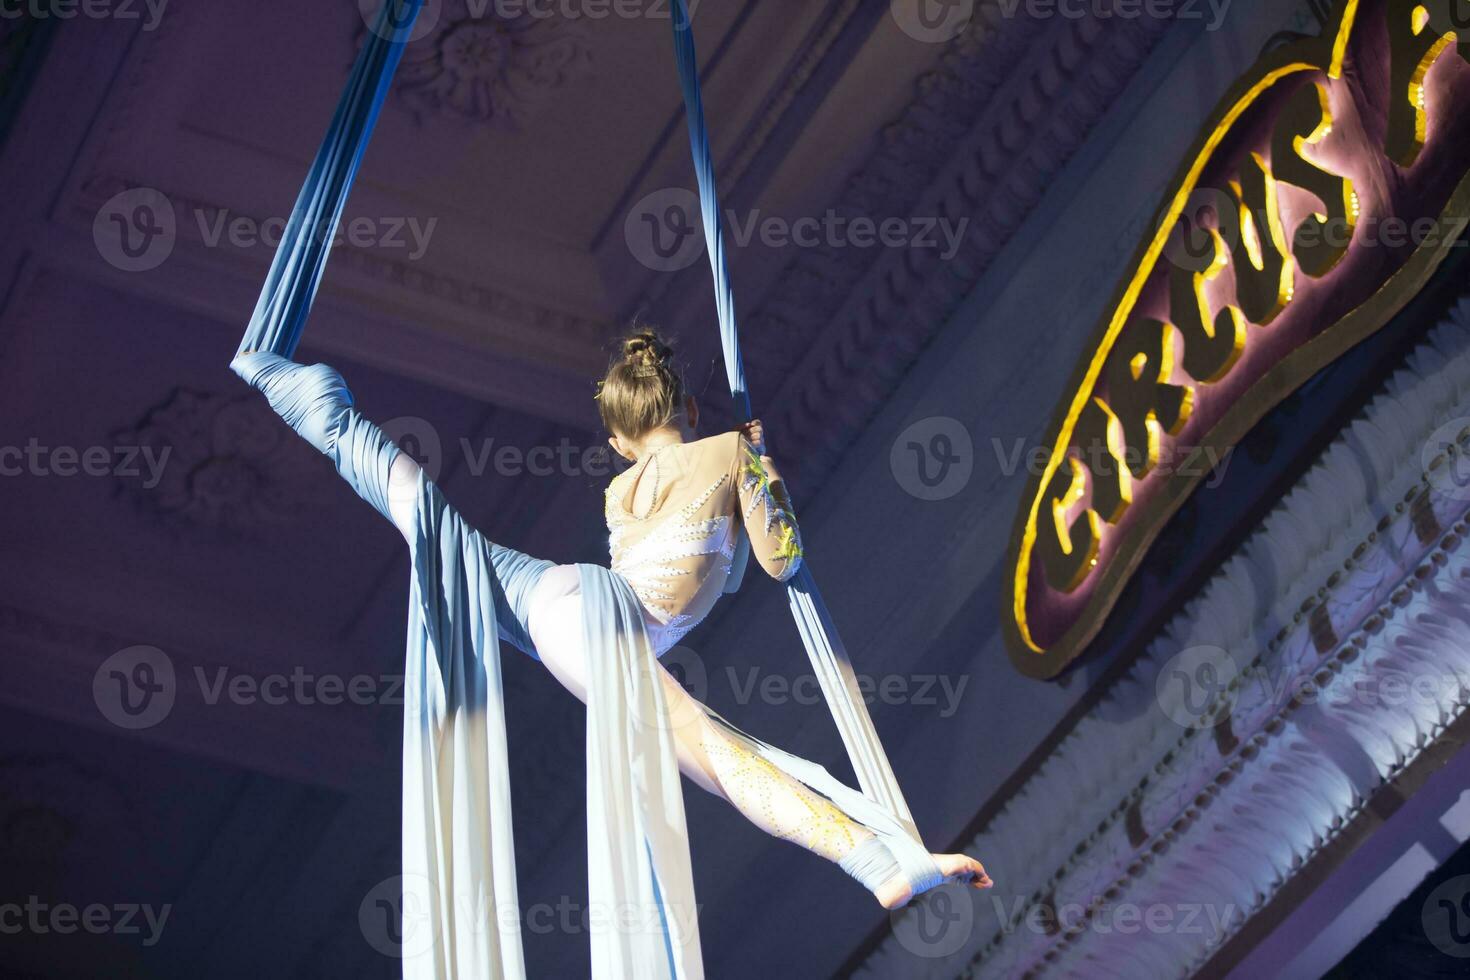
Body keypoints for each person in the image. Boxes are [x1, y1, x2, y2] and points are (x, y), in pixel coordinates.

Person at [232, 326, 990, 917]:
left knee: (434, 529)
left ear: (619, 445)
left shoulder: (618, 493)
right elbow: (782, 559)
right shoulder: (731, 451)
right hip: (599, 621)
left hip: (556, 596)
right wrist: (763, 471)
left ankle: (326, 413)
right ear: (689, 410)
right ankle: (878, 864)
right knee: (715, 754)